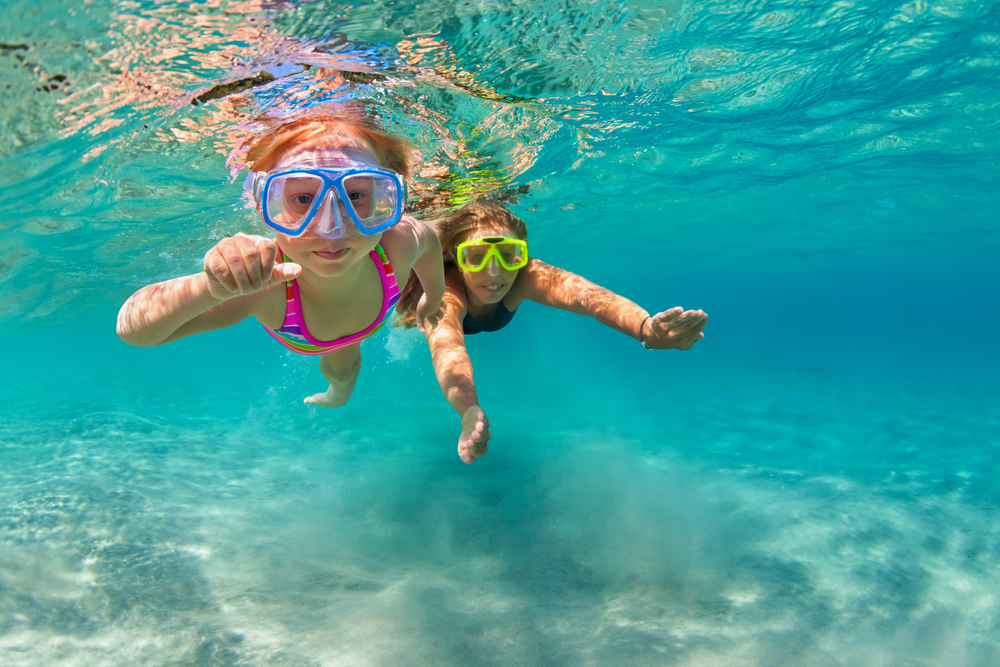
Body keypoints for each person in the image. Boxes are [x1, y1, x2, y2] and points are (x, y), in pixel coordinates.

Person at [117, 113, 445, 407]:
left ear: (386, 195)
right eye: (303, 199)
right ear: (267, 205)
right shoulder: (264, 282)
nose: (331, 228)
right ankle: (336, 394)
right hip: (306, 332)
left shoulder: (398, 241)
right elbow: (133, 331)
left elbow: (430, 245)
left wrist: (432, 297)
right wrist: (210, 288)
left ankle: (338, 395)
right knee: (339, 367)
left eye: (356, 195)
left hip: (358, 331)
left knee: (344, 368)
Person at [395, 200, 707, 464]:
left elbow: (589, 297)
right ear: (458, 260)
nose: (494, 271)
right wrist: (467, 410)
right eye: (476, 256)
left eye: (508, 254)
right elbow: (448, 348)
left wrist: (646, 329)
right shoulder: (446, 291)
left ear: (522, 255)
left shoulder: (526, 276)